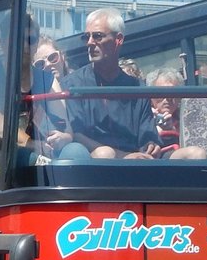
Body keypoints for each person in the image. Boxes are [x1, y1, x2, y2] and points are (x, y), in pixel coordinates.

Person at [62, 8, 161, 159]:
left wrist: (151, 146)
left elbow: (148, 135)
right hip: (95, 163)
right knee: (105, 154)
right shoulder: (72, 84)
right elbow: (76, 135)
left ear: (118, 40)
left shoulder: (138, 88)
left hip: (138, 160)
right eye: (86, 37)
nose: (89, 43)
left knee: (194, 154)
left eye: (97, 36)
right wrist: (124, 157)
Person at [145, 68, 207, 160]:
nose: (167, 98)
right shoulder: (144, 115)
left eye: (172, 93)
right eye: (160, 93)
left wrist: (173, 129)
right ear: (151, 97)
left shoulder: (187, 116)